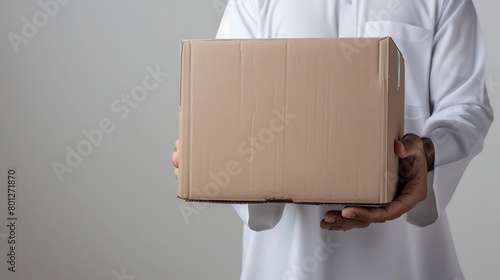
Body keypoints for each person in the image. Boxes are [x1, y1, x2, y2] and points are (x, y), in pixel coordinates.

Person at [172, 0, 494, 279]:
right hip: (287, 259)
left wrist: (427, 151)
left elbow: (467, 105)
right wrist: (210, 151)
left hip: (405, 258)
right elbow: (230, 99)